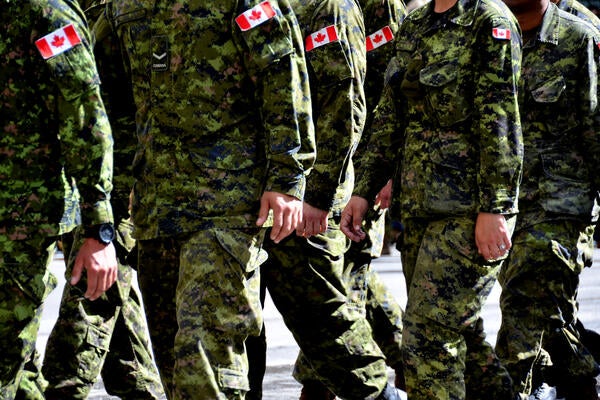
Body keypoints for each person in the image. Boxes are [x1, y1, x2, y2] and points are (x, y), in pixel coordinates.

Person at [107, 0, 317, 398]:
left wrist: (288, 176)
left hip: (227, 204)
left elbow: (282, 73)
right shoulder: (125, 5)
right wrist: (112, 194)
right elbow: (113, 98)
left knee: (205, 357)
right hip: (156, 208)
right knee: (173, 362)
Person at [341, 0, 524, 396]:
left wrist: (495, 207)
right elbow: (390, 113)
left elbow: (501, 119)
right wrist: (364, 190)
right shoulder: (416, 23)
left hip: (467, 210)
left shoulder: (489, 22)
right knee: (461, 335)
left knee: (427, 339)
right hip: (419, 207)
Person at [257, 0, 401, 399]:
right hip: (261, 195)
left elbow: (356, 100)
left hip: (322, 196)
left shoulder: (332, 7)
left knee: (330, 313)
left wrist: (329, 191)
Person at [40, 3, 165, 399]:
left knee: (89, 292)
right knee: (111, 291)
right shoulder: (98, 9)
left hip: (127, 180)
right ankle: (139, 389)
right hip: (98, 180)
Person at [0, 0, 118, 398]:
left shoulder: (46, 13)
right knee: (20, 373)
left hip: (22, 218)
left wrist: (98, 227)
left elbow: (86, 117)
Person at [493, 0, 600, 396]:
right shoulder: (489, 36)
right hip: (504, 203)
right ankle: (579, 376)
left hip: (562, 201)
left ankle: (518, 388)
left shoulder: (578, 38)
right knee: (547, 312)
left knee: (524, 295)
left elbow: (596, 126)